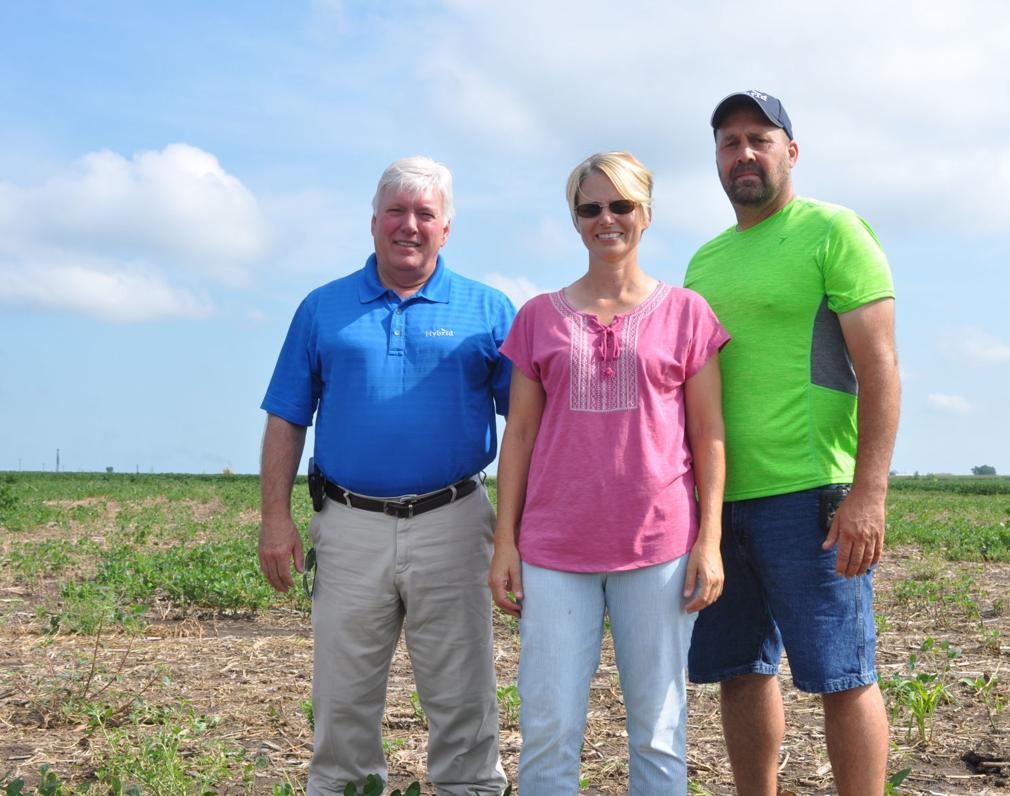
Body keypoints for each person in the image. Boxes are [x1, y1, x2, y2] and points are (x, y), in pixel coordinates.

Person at [257, 156, 513, 796]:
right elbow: (287, 418)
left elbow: (532, 425)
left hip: (455, 522)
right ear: (373, 222)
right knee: (343, 697)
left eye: (425, 214)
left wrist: (521, 527)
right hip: (349, 525)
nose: (409, 225)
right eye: (396, 212)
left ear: (446, 229)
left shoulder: (490, 309)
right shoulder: (323, 308)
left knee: (463, 695)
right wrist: (274, 518)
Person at [488, 151, 728, 795]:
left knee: (658, 731)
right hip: (554, 549)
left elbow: (708, 435)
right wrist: (505, 543)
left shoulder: (687, 313)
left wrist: (709, 541)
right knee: (548, 730)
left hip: (659, 547)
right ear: (575, 220)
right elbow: (521, 436)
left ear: (646, 214)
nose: (607, 219)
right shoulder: (538, 316)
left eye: (621, 205)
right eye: (590, 207)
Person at [684, 90, 900, 796]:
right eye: (728, 142)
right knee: (740, 671)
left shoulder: (834, 231)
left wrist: (868, 494)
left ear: (790, 152)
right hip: (722, 503)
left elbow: (879, 367)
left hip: (812, 496)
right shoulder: (704, 262)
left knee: (842, 673)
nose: (743, 153)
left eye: (759, 138)